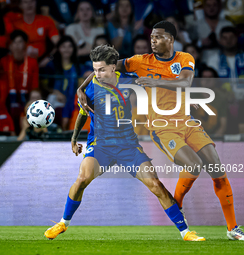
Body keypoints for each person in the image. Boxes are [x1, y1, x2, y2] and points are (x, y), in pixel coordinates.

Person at [78, 20, 244, 240]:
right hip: (162, 127)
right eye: (151, 37)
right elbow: (105, 66)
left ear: (171, 39)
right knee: (194, 166)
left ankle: (233, 228)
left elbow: (185, 83)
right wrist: (81, 88)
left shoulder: (185, 59)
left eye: (158, 37)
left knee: (217, 170)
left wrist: (156, 83)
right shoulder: (139, 61)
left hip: (187, 122)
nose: (153, 41)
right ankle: (178, 204)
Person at [44, 44, 205, 242]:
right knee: (83, 178)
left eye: (101, 69)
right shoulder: (91, 88)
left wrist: (184, 99)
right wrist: (74, 138)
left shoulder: (130, 83)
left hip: (128, 145)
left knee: (155, 184)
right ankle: (63, 223)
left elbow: (159, 92)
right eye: (95, 69)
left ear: (113, 67)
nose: (97, 74)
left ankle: (186, 232)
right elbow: (82, 114)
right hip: (100, 145)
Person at [204, 26, 244, 133]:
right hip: (223, 99)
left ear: (237, 39)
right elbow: (210, 83)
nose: (228, 41)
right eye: (225, 38)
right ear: (220, 40)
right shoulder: (213, 60)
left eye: (231, 37)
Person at [42, 36, 82, 130]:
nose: (66, 49)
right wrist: (55, 92)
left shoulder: (78, 66)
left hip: (73, 100)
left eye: (69, 46)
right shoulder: (51, 65)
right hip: (56, 100)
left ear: (73, 49)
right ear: (58, 48)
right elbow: (44, 86)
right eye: (63, 46)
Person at [9, 0, 59, 65]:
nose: (29, 4)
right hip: (21, 62)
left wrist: (49, 59)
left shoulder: (46, 20)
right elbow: (9, 47)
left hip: (43, 62)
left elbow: (59, 44)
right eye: (26, 2)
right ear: (20, 5)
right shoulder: (15, 24)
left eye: (32, 1)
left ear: (36, 2)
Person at [0, 30, 39, 109]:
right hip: (7, 100)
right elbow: (0, 83)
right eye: (14, 42)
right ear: (10, 45)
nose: (17, 45)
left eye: (20, 42)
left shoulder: (32, 62)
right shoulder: (4, 61)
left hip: (27, 99)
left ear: (25, 44)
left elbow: (35, 85)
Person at [191, 67, 228, 136]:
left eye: (210, 77)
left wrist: (212, 142)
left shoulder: (221, 98)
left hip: (214, 138)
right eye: (204, 77)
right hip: (194, 137)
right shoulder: (191, 96)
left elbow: (223, 126)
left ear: (215, 80)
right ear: (199, 80)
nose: (207, 80)